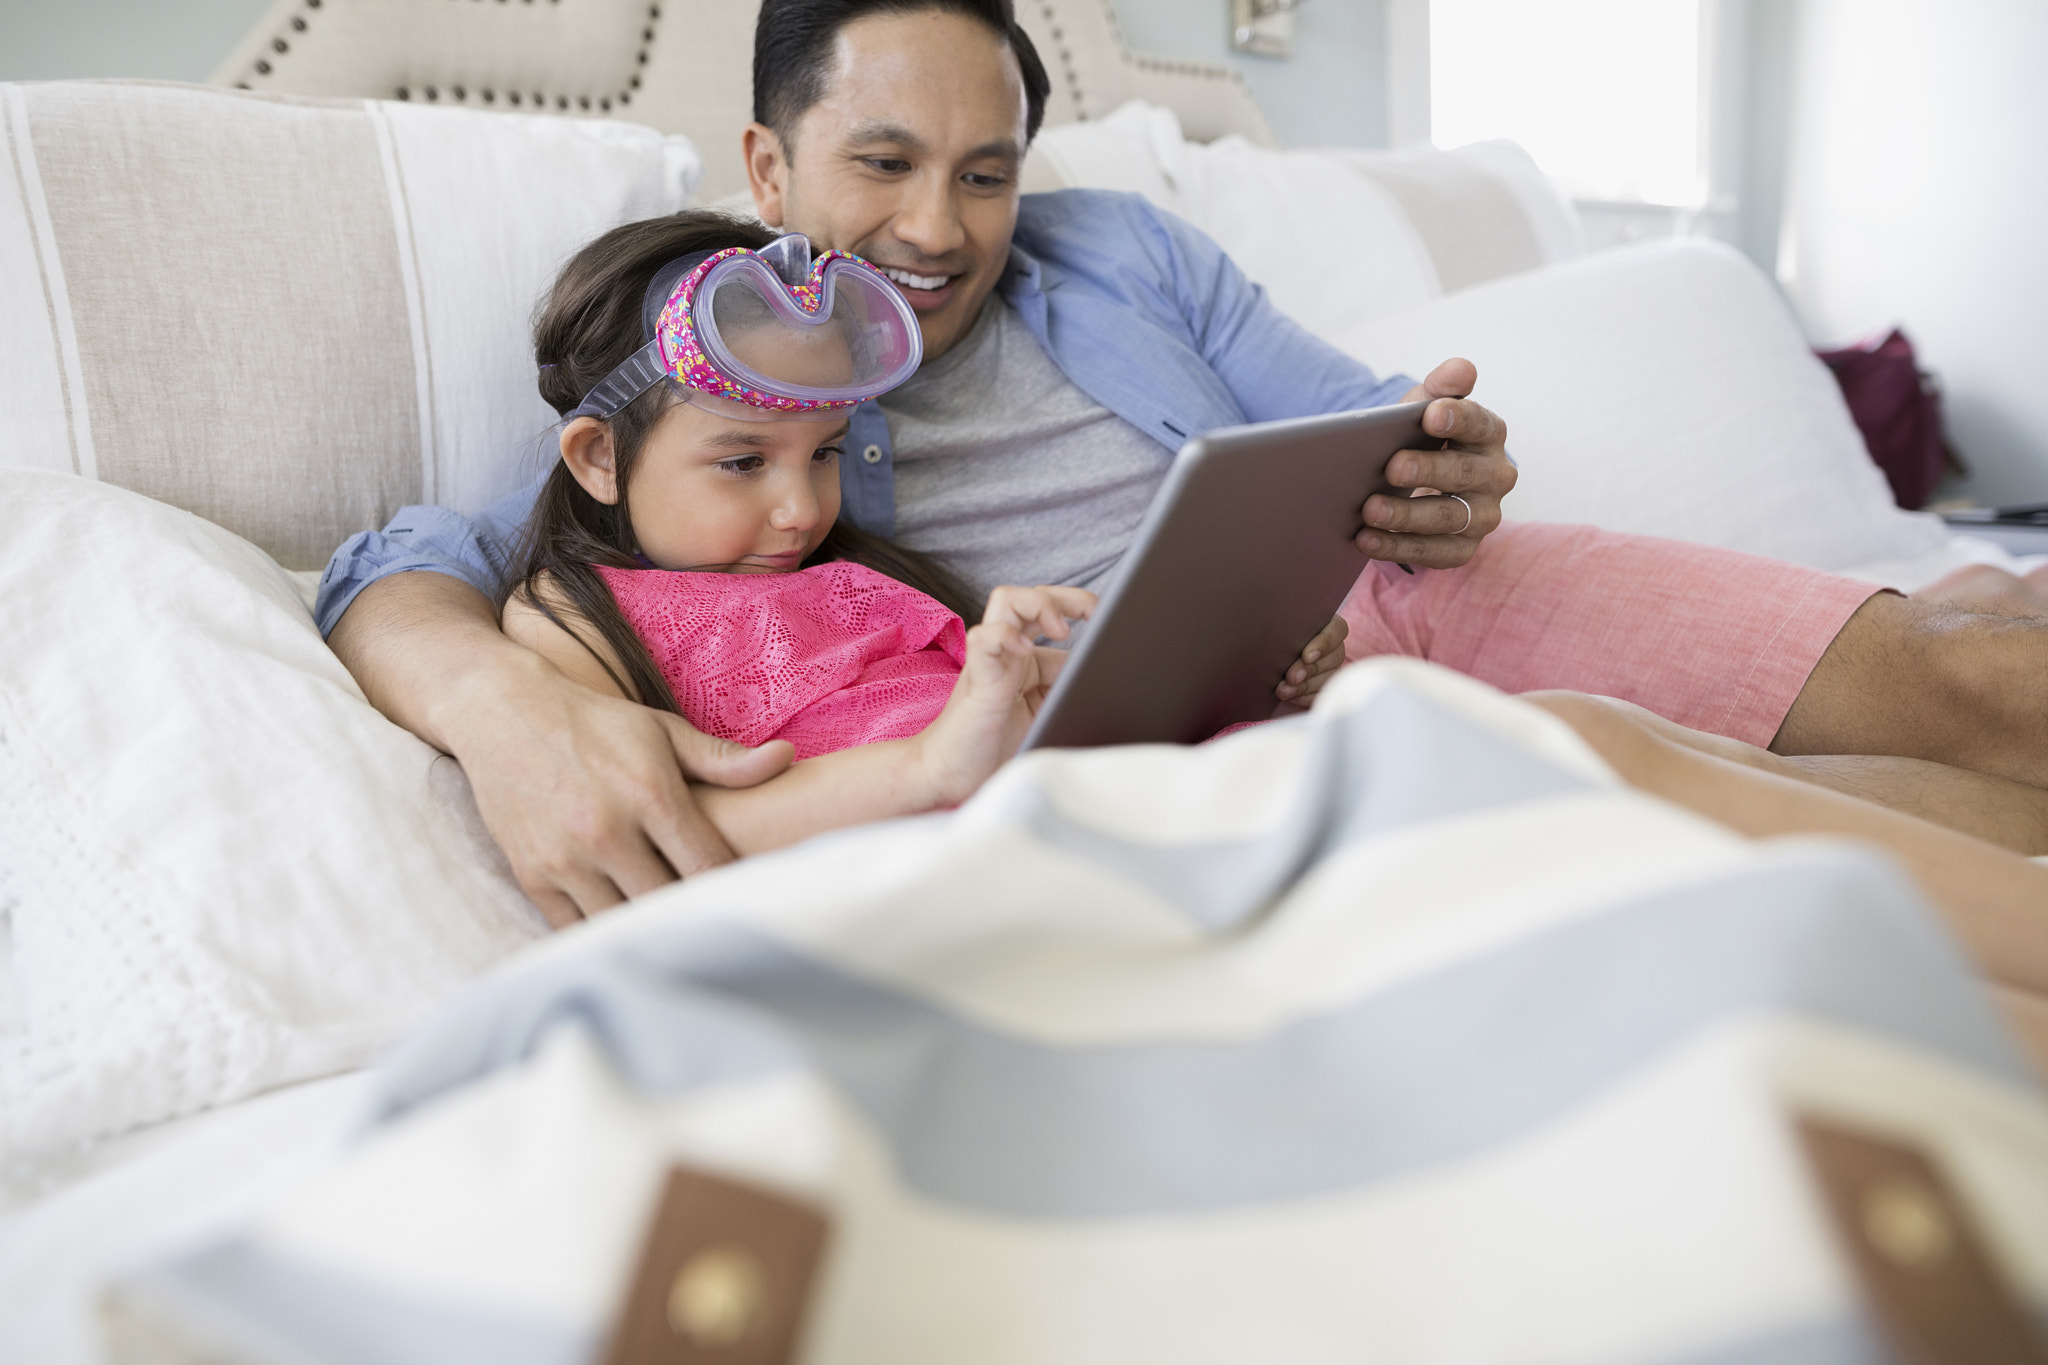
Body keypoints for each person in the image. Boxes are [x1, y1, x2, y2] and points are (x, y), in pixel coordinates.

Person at [316, 0, 2048, 922]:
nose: (938, 230)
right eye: (883, 163)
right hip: (1258, 728)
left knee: (1979, 678)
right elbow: (421, 552)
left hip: (1403, 602)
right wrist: (497, 705)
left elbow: (1352, 413)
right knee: (1763, 815)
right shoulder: (723, 373)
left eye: (984, 172)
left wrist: (1437, 464)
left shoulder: (1122, 251)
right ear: (769, 164)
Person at [497, 211, 1346, 865]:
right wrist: (931, 768)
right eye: (743, 461)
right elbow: (671, 832)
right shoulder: (574, 618)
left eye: (826, 452)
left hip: (1089, 815)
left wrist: (1236, 684)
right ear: (600, 457)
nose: (800, 508)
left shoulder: (871, 583)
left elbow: (1042, 731)